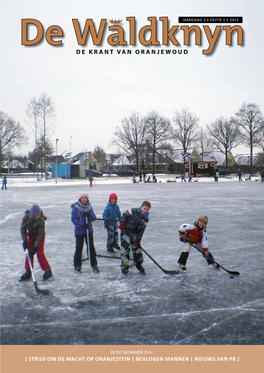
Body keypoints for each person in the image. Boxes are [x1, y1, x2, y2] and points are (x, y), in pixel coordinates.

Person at [20, 204, 53, 281]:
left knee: (39, 253)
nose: (38, 216)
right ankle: (28, 271)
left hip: (39, 236)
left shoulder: (41, 221)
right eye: (37, 215)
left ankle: (47, 270)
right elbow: (22, 229)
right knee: (29, 253)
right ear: (32, 215)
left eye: (39, 215)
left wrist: (35, 247)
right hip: (31, 235)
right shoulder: (26, 218)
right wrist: (25, 241)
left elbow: (40, 235)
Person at [119, 201, 151, 275]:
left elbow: (141, 230)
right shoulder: (133, 211)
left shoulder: (146, 218)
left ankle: (138, 265)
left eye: (147, 209)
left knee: (137, 251)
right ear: (141, 207)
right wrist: (122, 223)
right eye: (144, 208)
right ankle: (125, 267)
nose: (145, 210)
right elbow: (124, 215)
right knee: (124, 251)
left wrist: (138, 239)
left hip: (134, 235)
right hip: (125, 233)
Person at [71, 192, 99, 272]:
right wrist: (82, 224)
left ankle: (94, 264)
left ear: (87, 199)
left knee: (91, 247)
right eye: (82, 198)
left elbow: (93, 218)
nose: (84, 199)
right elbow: (74, 219)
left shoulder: (89, 207)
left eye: (85, 198)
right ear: (80, 199)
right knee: (79, 248)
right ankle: (77, 265)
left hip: (88, 231)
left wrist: (89, 215)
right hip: (79, 231)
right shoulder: (76, 207)